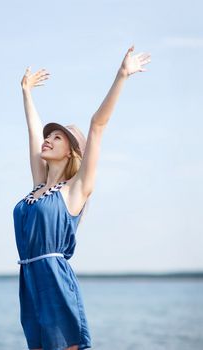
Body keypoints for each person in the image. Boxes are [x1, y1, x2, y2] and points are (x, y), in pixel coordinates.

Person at [13, 45, 151, 350]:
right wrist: (26, 93)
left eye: (57, 137)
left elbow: (97, 126)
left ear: (72, 151)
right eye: (49, 137)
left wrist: (122, 76)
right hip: (29, 279)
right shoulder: (37, 187)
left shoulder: (75, 190)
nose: (48, 140)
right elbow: (33, 134)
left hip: (55, 281)